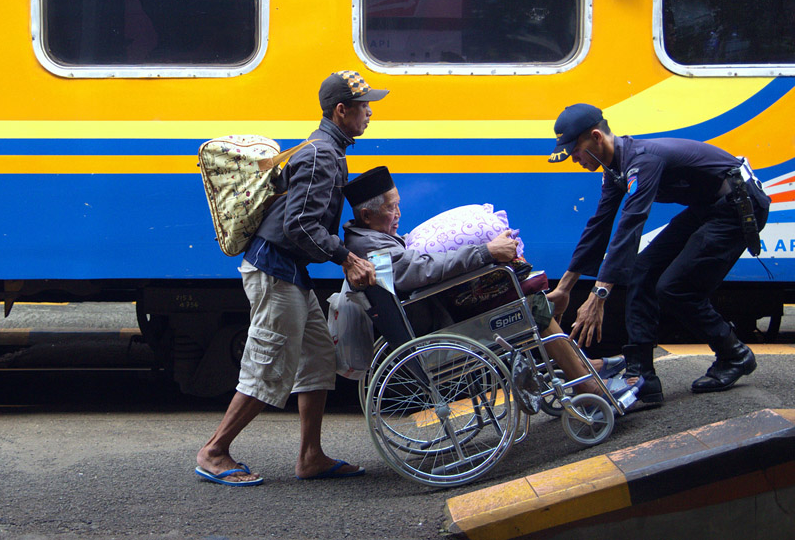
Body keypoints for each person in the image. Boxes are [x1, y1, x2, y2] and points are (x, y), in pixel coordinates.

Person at [195, 71, 386, 486]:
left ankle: (310, 456)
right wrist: (345, 257)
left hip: (290, 271)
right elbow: (300, 223)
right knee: (269, 363)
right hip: (274, 268)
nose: (370, 113)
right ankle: (214, 451)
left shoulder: (327, 150)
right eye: (364, 106)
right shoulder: (321, 155)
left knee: (317, 357)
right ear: (341, 111)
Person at [545, 103, 770, 406]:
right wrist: (564, 288)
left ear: (596, 137)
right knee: (641, 272)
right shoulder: (615, 169)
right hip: (709, 208)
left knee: (675, 288)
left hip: (738, 206)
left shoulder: (642, 161)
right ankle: (643, 378)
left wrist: (598, 296)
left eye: (575, 150)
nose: (573, 158)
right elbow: (598, 229)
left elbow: (631, 225)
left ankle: (735, 354)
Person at [341, 166, 623, 397]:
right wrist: (485, 252)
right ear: (367, 215)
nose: (399, 214)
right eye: (392, 208)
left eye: (398, 206)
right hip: (439, 320)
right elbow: (418, 271)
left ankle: (578, 367)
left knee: (530, 298)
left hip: (435, 309)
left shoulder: (367, 238)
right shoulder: (372, 247)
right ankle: (586, 383)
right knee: (531, 305)